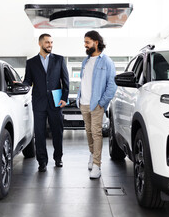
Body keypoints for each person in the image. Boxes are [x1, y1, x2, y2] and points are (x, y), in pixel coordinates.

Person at [23, 33, 69, 172]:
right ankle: (42, 161)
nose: (50, 45)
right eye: (47, 42)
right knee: (39, 133)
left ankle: (58, 158)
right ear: (40, 43)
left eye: (51, 42)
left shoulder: (59, 60)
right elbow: (28, 81)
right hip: (38, 102)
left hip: (56, 101)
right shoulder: (31, 62)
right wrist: (21, 85)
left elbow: (65, 81)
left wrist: (64, 98)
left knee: (57, 132)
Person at [77, 30, 117, 179]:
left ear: (96, 42)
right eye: (85, 42)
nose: (85, 45)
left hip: (96, 105)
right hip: (84, 103)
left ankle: (97, 165)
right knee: (88, 132)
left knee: (96, 133)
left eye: (87, 42)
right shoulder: (85, 61)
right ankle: (92, 154)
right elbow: (84, 82)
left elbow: (112, 85)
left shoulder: (106, 61)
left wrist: (102, 103)